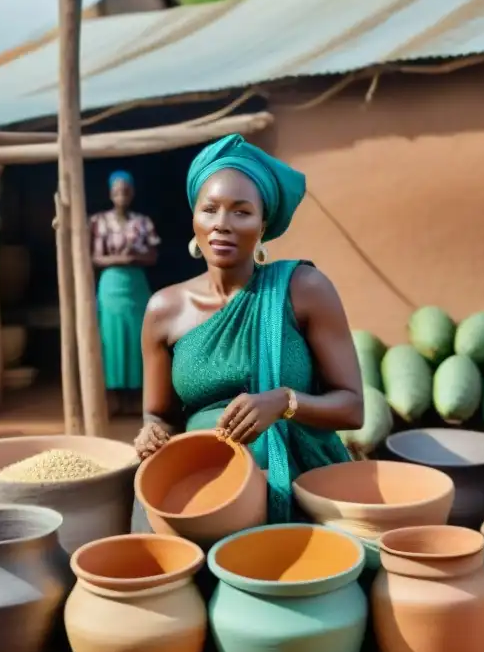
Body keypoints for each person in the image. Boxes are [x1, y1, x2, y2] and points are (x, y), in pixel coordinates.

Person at [133, 134, 364, 525]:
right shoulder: (163, 310)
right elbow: (159, 416)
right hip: (202, 488)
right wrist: (150, 434)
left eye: (241, 212)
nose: (222, 224)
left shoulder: (301, 289)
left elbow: (353, 408)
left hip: (299, 487)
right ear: (194, 218)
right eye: (210, 210)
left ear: (263, 225)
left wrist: (284, 402)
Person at [90, 170, 160, 416]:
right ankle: (113, 399)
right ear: (110, 193)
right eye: (117, 190)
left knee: (137, 339)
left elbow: (152, 255)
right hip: (110, 286)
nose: (122, 195)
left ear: (132, 193)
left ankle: (135, 399)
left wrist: (134, 259)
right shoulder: (98, 221)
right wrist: (122, 258)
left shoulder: (142, 222)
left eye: (126, 190)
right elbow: (93, 257)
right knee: (111, 340)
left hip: (136, 285)